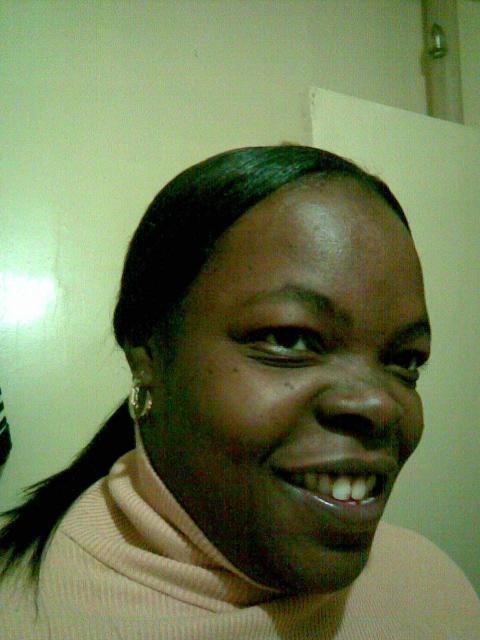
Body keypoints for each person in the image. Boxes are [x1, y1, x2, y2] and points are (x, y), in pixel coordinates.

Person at [0, 146, 478, 639]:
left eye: (405, 360)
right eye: (289, 339)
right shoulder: (22, 613)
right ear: (146, 352)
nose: (378, 405)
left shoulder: (434, 591)